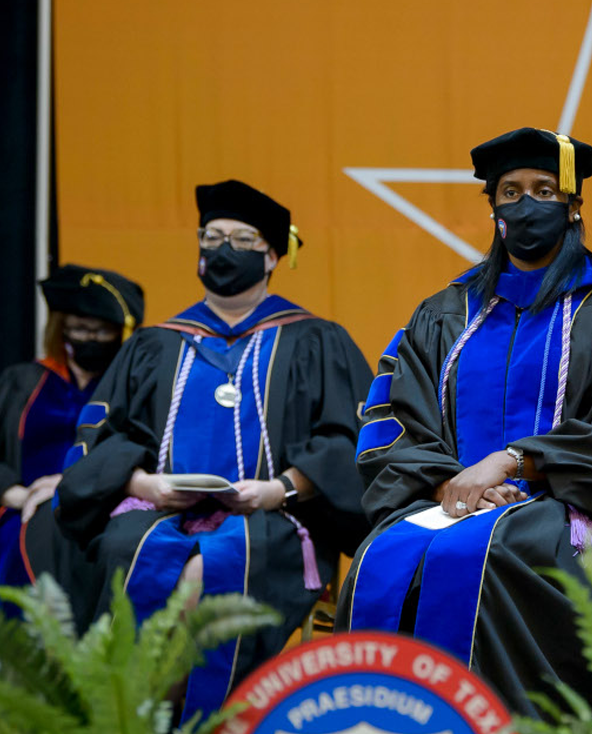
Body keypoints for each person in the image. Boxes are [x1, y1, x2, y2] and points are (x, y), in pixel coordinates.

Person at [336, 128, 592, 717]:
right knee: (384, 555)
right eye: (510, 192)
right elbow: (393, 429)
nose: (525, 203)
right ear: (493, 207)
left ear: (572, 206)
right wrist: (453, 483)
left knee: (501, 548)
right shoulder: (444, 314)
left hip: (581, 512)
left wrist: (521, 460)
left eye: (544, 189)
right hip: (450, 501)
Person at [55, 180, 372, 722]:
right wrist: (143, 484)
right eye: (212, 236)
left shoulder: (315, 340)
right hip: (160, 510)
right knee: (131, 549)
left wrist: (279, 489)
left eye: (241, 239)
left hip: (270, 518)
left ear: (272, 255)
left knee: (208, 570)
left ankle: (189, 718)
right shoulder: (157, 344)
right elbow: (101, 440)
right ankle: (131, 716)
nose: (223, 249)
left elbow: (349, 441)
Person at [0, 264, 143, 607]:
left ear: (121, 333)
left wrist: (69, 485)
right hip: (22, 510)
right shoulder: (22, 382)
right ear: (61, 330)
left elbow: (141, 453)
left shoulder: (129, 387)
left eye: (102, 332)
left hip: (103, 508)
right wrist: (17, 493)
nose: (90, 339)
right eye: (79, 329)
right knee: (16, 545)